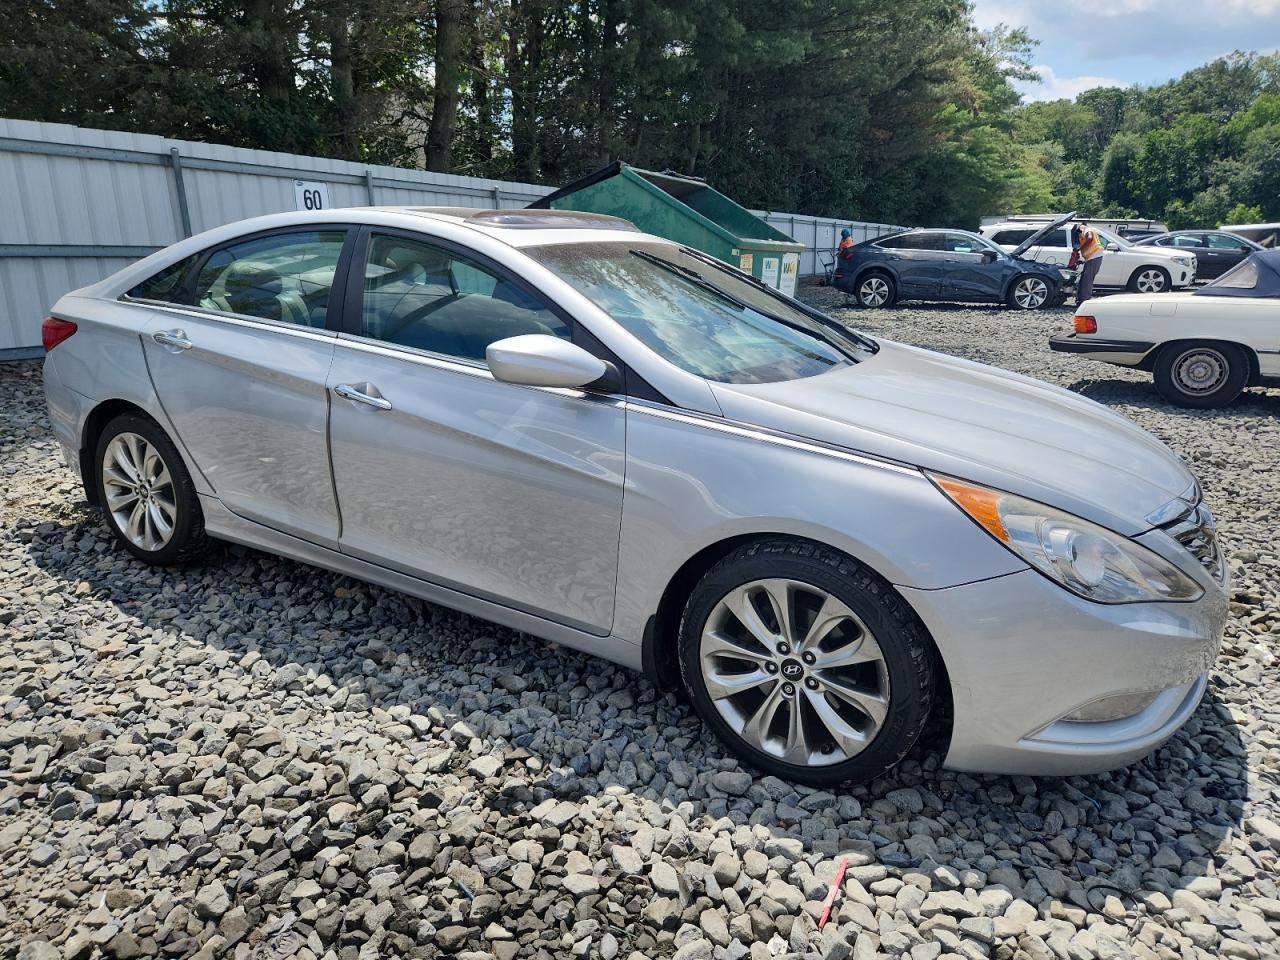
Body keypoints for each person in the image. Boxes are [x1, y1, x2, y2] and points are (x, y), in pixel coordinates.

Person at [1072, 222, 1104, 305]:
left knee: (1087, 280)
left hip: (1094, 256)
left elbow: (1089, 238)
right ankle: (1081, 299)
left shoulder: (1086, 229)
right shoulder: (1083, 232)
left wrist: (1080, 248)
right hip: (1091, 258)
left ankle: (1085, 302)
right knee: (1084, 279)